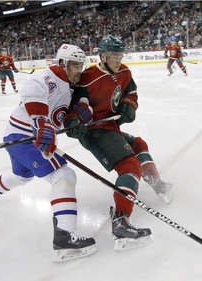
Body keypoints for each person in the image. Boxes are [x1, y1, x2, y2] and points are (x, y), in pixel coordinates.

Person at [0, 44, 96, 262]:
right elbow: (33, 90)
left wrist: (78, 114)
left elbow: (63, 113)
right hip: (25, 137)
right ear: (62, 64)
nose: (79, 69)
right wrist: (40, 122)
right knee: (64, 175)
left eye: (81, 64)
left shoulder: (69, 84)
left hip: (15, 137)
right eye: (75, 65)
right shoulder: (50, 77)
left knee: (22, 176)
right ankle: (65, 238)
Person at [64, 35, 174, 251]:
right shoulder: (87, 79)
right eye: (114, 55)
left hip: (111, 127)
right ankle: (121, 222)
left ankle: (156, 183)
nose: (118, 59)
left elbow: (131, 92)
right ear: (103, 56)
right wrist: (73, 122)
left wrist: (129, 105)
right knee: (129, 167)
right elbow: (71, 109)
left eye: (120, 55)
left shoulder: (124, 72)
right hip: (94, 131)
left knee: (139, 145)